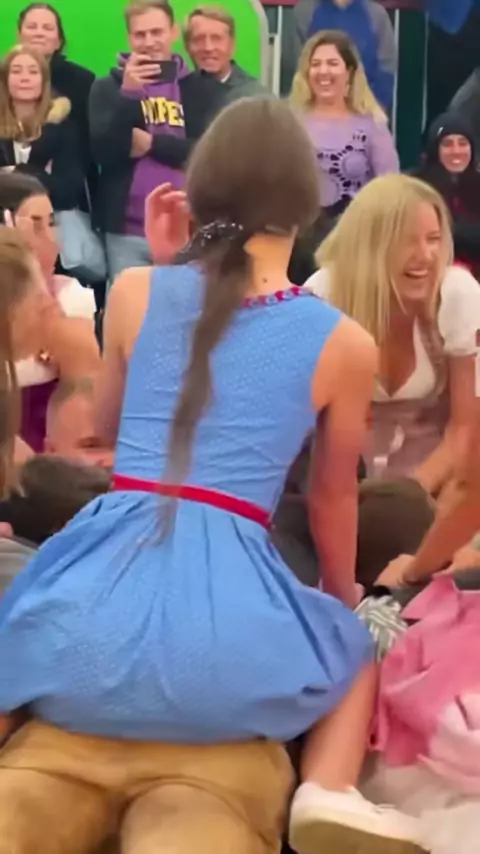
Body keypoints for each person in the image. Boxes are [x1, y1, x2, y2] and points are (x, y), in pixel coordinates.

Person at [0, 98, 423, 854]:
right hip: (227, 621)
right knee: (352, 647)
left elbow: (113, 423)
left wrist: (172, 271)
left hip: (102, 592)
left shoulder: (136, 293)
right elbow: (331, 496)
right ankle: (327, 789)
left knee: (23, 617)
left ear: (200, 191)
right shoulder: (341, 341)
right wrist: (339, 597)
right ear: (307, 203)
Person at [306, 174, 480, 495]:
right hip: (340, 470)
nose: (426, 255)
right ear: (369, 244)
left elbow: (464, 429)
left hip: (434, 474)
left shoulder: (456, 293)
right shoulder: (324, 292)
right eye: (408, 240)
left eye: (433, 239)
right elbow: (304, 418)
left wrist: (407, 497)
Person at [89, 0, 192, 279]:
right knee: (128, 306)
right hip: (126, 231)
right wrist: (130, 93)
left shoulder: (196, 86)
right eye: (140, 34)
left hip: (187, 229)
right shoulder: (107, 88)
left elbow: (206, 152)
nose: (149, 42)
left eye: (157, 32)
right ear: (129, 38)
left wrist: (151, 144)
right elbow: (104, 153)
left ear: (173, 32)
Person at [0, 171, 98, 453]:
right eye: (35, 225)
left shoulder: (71, 301)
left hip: (52, 463)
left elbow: (90, 415)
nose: (52, 241)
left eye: (52, 223)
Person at [290, 29, 398, 246]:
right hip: (299, 241)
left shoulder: (372, 125)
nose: (323, 71)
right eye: (316, 64)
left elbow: (390, 188)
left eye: (332, 63)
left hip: (355, 241)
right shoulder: (289, 122)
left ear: (349, 72)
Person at [0, 44, 84, 213]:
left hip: (51, 214)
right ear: (5, 80)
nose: (25, 78)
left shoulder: (64, 128)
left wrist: (21, 171)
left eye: (33, 72)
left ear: (44, 81)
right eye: (16, 71)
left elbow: (67, 194)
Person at [17, 3, 95, 167]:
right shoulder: (3, 77)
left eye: (47, 28)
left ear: (58, 41)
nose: (39, 33)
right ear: (19, 35)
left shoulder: (82, 81)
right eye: (31, 27)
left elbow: (89, 143)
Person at [293, 0, 396, 113]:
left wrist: (374, 112)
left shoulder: (377, 14)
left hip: (365, 109)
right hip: (314, 110)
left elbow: (386, 70)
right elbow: (300, 69)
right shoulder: (305, 12)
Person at [413, 112, 480, 276]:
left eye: (463, 143)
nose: (456, 151)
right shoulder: (417, 186)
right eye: (447, 144)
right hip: (429, 272)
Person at [182, 5, 265, 136]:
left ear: (232, 45)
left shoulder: (256, 99)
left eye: (216, 39)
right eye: (199, 39)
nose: (208, 47)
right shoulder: (179, 93)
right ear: (187, 46)